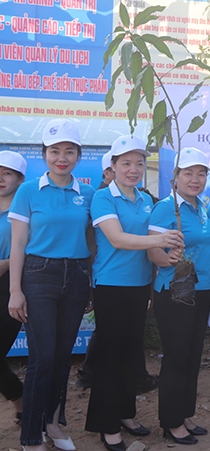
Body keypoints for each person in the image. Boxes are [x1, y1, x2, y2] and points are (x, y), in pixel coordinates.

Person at [85, 137, 185, 451]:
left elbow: (151, 247)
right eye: (125, 163)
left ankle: (126, 413)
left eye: (139, 163)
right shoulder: (103, 198)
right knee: (110, 357)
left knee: (131, 354)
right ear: (112, 167)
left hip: (140, 285)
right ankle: (107, 425)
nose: (133, 169)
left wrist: (166, 255)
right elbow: (117, 239)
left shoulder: (145, 199)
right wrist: (159, 242)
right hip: (111, 286)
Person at [8, 119, 96, 451]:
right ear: (44, 154)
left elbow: (90, 240)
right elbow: (18, 243)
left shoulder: (87, 193)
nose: (62, 157)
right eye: (55, 151)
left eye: (69, 151)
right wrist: (16, 290)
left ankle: (54, 423)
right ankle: (31, 435)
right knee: (43, 357)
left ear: (78, 155)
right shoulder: (29, 191)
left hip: (75, 276)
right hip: (38, 275)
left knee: (62, 356)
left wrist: (88, 285)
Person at [147, 147, 210, 445]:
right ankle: (171, 421)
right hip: (174, 292)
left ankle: (185, 414)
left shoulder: (202, 207)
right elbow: (152, 251)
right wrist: (170, 259)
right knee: (176, 358)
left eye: (201, 173)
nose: (195, 179)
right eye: (188, 173)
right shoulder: (166, 207)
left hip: (199, 292)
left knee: (192, 357)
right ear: (175, 177)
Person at [0, 151, 26, 425]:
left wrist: (7, 263)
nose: (0, 178)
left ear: (19, 179)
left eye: (7, 173)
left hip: (11, 285)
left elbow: (33, 249)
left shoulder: (23, 210)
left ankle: (22, 400)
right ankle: (22, 402)